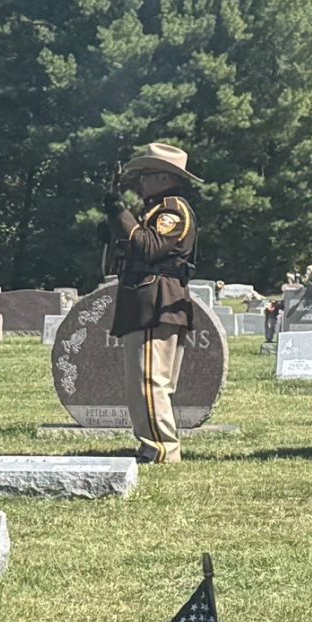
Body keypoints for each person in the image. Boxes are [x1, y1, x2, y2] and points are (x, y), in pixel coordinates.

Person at [103, 140, 202, 465]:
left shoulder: (172, 210)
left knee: (149, 380)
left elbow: (149, 247)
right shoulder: (155, 210)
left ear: (164, 177)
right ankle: (157, 445)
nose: (140, 181)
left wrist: (120, 212)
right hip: (150, 300)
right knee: (149, 380)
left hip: (156, 301)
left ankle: (159, 449)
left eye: (146, 175)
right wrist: (113, 219)